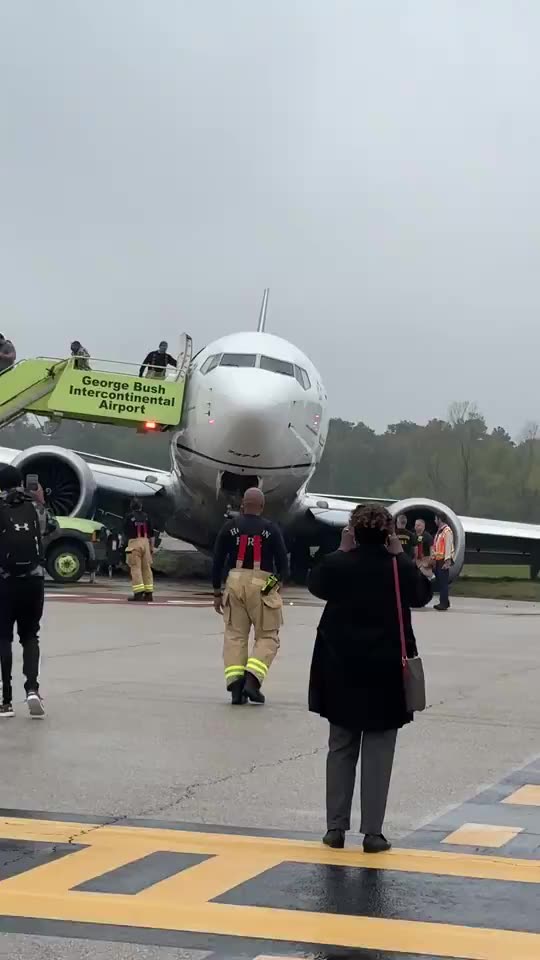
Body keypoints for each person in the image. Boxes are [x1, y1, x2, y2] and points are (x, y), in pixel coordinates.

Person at [307, 503, 432, 852]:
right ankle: (373, 833)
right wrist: (401, 555)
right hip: (385, 672)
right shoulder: (397, 569)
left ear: (353, 532)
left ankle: (335, 828)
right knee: (379, 751)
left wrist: (341, 550)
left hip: (340, 670)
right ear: (389, 534)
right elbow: (423, 594)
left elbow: (315, 583)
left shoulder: (338, 564)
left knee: (340, 748)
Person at [212, 487, 289, 705]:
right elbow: (284, 568)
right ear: (262, 507)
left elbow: (217, 561)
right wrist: (270, 587)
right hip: (262, 582)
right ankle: (252, 681)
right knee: (267, 636)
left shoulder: (229, 527)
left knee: (235, 636)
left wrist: (217, 592)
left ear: (242, 505)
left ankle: (236, 688)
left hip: (233, 582)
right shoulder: (271, 529)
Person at [0, 465, 57, 718]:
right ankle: (32, 689)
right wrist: (41, 501)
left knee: (3, 638)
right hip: (33, 581)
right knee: (30, 635)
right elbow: (51, 528)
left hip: (4, 581)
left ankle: (6, 701)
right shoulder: (34, 506)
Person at [123, 498, 154, 601]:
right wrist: (151, 547)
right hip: (146, 542)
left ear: (131, 507)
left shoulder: (129, 517)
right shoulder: (147, 517)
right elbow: (152, 533)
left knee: (135, 568)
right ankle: (149, 593)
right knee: (147, 568)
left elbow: (125, 532)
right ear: (141, 506)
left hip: (134, 543)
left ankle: (138, 593)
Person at [433, 514, 454, 611]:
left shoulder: (447, 531)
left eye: (435, 519)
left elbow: (448, 546)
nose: (434, 521)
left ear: (439, 519)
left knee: (443, 583)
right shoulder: (440, 532)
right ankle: (445, 601)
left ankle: (443, 603)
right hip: (438, 560)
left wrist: (447, 561)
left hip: (443, 560)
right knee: (441, 582)